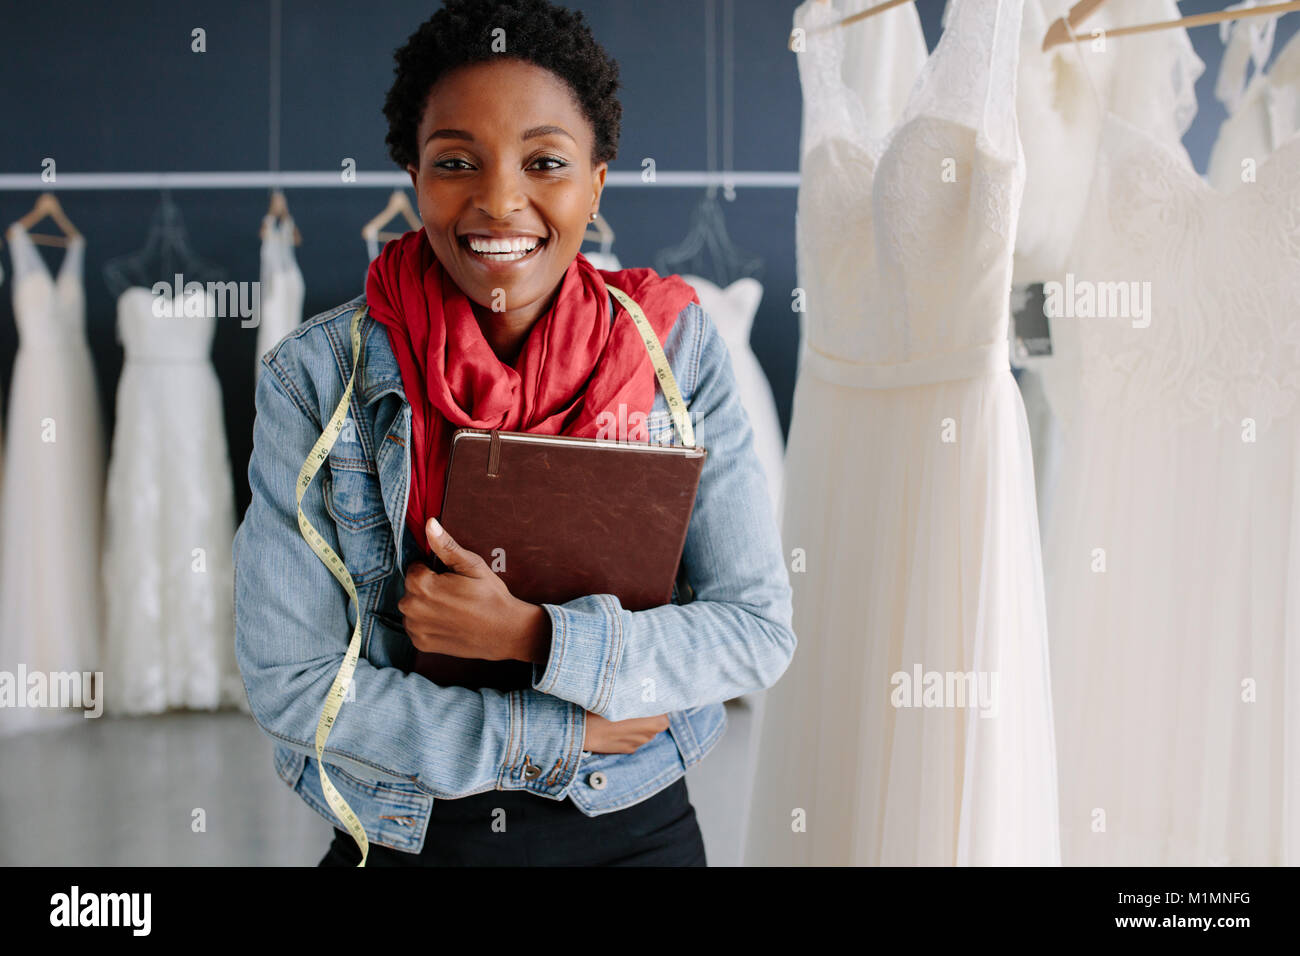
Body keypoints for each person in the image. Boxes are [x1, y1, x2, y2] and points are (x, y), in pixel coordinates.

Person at [233, 0, 795, 867]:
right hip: (409, 831)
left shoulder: (675, 347)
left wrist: (533, 636)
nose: (500, 201)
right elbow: (294, 685)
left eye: (545, 162)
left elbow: (755, 630)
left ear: (598, 181)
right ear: (414, 177)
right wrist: (549, 732)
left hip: (635, 826)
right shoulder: (314, 378)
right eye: (456, 161)